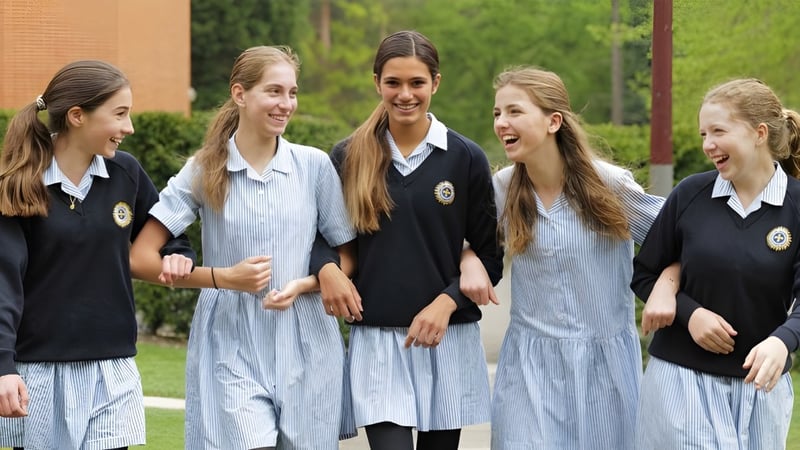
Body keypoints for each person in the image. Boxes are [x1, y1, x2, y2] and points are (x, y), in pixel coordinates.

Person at [128, 45, 357, 450]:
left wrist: (307, 284)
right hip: (229, 342)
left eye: (292, 92)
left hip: (307, 341)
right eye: (274, 92)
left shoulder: (315, 166)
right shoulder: (203, 169)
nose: (286, 104)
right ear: (240, 94)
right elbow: (140, 258)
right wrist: (221, 278)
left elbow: (346, 255)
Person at [311, 30, 503, 450]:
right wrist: (327, 269)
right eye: (393, 82)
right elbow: (319, 236)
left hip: (446, 340)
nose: (405, 94)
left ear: (436, 82)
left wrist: (445, 303)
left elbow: (490, 256)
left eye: (417, 83)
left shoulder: (465, 157)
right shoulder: (347, 156)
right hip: (377, 342)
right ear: (376, 82)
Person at [0, 60, 196, 450]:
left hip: (113, 367)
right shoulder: (17, 186)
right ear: (77, 116)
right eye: (120, 114)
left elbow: (164, 232)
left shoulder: (127, 172)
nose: (129, 128)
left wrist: (178, 252)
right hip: (38, 371)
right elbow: (4, 285)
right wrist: (3, 367)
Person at [488, 67, 668, 450]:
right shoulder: (501, 189)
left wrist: (666, 289)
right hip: (528, 368)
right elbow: (465, 244)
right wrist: (471, 258)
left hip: (605, 369)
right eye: (497, 114)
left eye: (514, 112)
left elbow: (680, 239)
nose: (502, 123)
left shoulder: (610, 185)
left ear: (553, 121)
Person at [630, 78, 800, 449]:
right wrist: (689, 313)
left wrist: (783, 341)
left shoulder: (797, 206)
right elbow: (645, 272)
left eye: (718, 131)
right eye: (703, 133)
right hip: (680, 380)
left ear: (758, 133)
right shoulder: (691, 194)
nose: (707, 144)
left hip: (761, 389)